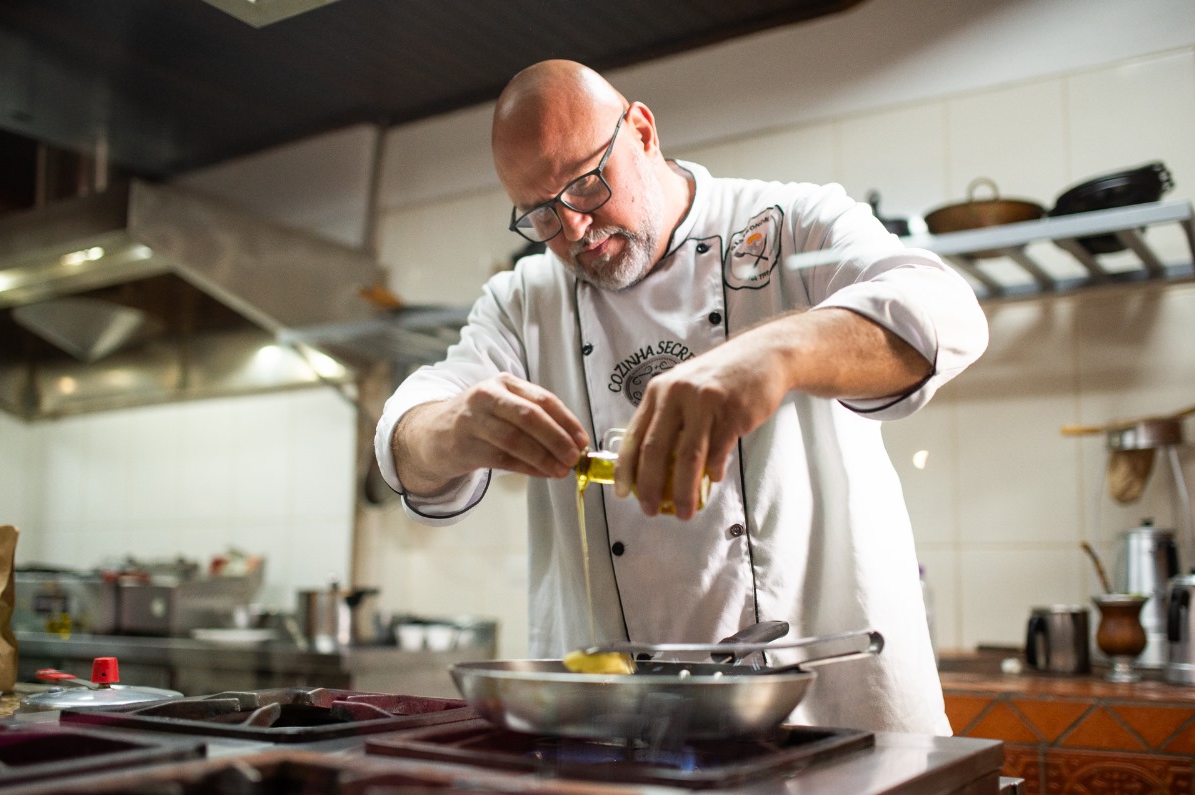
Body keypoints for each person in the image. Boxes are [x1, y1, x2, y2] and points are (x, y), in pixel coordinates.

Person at [374, 60, 988, 734]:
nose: (573, 229)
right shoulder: (526, 300)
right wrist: (454, 429)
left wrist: (770, 356)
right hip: (616, 736)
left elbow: (942, 312)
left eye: (584, 184)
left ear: (643, 131)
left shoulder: (791, 227)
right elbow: (410, 432)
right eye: (542, 214)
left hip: (837, 719)